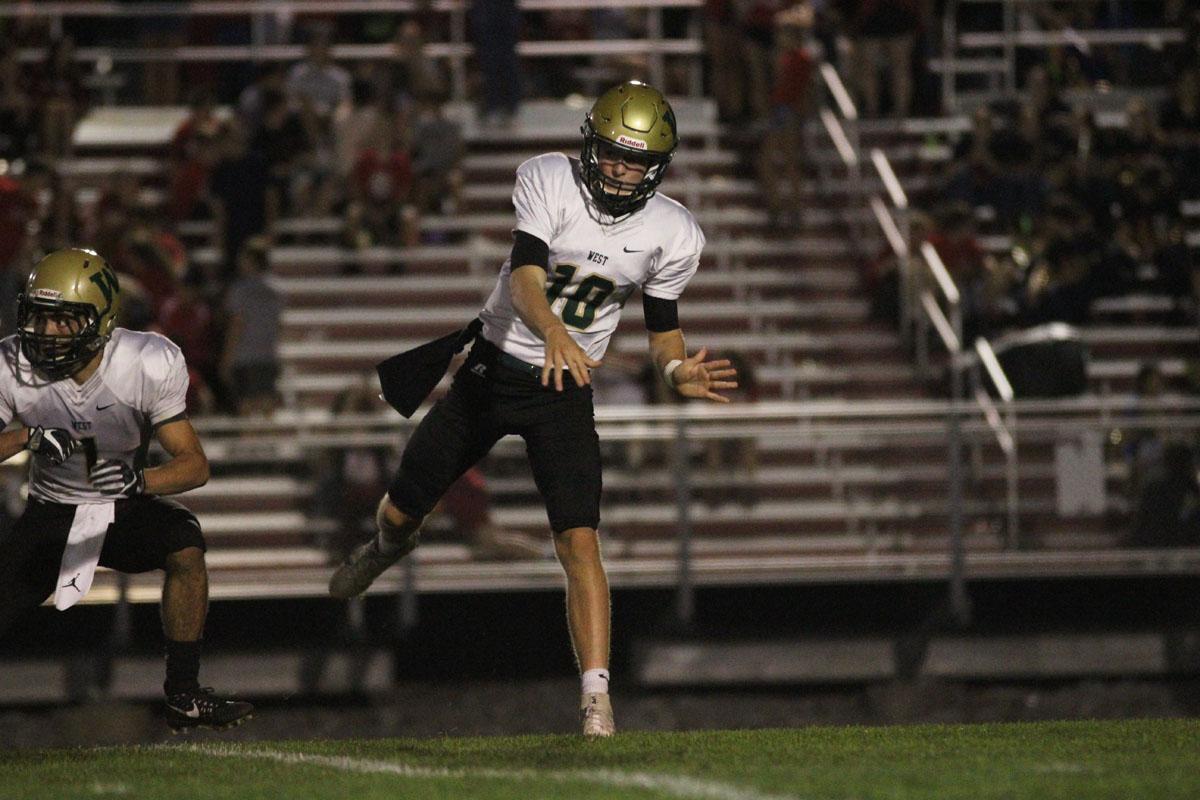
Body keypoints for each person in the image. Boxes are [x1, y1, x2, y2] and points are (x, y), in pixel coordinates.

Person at [329, 81, 738, 738]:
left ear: (658, 166)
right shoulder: (549, 178)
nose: (620, 171)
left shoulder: (674, 231)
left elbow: (663, 327)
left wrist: (672, 368)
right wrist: (551, 329)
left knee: (579, 539)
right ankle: (385, 545)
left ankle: (597, 699)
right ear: (588, 144)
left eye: (635, 162)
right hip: (492, 372)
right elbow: (525, 275)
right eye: (611, 154)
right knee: (406, 506)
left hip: (565, 389)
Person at [0, 248, 252, 731]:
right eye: (39, 317)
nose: (45, 332)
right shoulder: (12, 361)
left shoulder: (145, 360)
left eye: (63, 321)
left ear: (102, 320)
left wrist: (141, 481)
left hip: (120, 503)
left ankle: (184, 694)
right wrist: (26, 438)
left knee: (185, 543)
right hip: (51, 512)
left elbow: (194, 465)